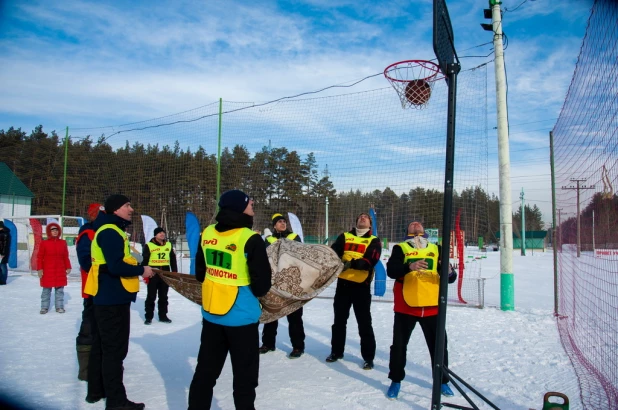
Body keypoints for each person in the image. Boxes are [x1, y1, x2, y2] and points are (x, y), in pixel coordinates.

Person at [188, 190, 271, 410]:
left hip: (212, 313)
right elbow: (262, 285)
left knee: (205, 373)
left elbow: (200, 273)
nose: (253, 203)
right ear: (238, 208)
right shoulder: (250, 238)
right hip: (241, 319)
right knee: (245, 378)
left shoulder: (207, 233)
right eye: (248, 202)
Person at [84, 194, 154, 410]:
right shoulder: (111, 232)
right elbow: (115, 266)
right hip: (112, 297)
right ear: (116, 209)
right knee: (115, 351)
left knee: (102, 347)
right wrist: (142, 269)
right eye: (127, 205)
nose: (131, 209)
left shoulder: (107, 230)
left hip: (105, 295)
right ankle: (116, 401)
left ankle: (96, 391)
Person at [385, 220, 457, 400]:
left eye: (419, 224)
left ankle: (442, 381)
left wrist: (448, 270)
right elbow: (391, 271)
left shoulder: (436, 248)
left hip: (432, 305)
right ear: (407, 230)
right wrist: (409, 267)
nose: (416, 225)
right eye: (411, 224)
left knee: (439, 347)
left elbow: (450, 278)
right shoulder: (400, 248)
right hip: (406, 306)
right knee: (399, 346)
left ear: (425, 230)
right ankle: (396, 380)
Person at [326, 212, 381, 370]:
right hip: (343, 285)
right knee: (339, 322)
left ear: (370, 224)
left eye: (366, 217)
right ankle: (336, 352)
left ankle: (368, 357)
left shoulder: (374, 240)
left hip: (361, 286)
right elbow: (334, 253)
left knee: (364, 323)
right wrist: (337, 261)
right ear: (356, 221)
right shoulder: (344, 236)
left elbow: (370, 260)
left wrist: (350, 263)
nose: (363, 218)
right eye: (360, 216)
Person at [259, 213, 305, 358]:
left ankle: (298, 346)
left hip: (291, 282)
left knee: (294, 316)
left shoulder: (293, 237)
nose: (283, 223)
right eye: (279, 222)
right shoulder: (268, 239)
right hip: (273, 283)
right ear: (274, 225)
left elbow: (298, 255)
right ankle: (268, 343)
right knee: (271, 313)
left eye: (284, 221)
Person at [75, 203, 104, 381]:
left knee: (104, 329)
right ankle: (85, 369)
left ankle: (103, 363)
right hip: (92, 288)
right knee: (89, 327)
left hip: (107, 290)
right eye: (100, 214)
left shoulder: (106, 231)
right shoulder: (87, 233)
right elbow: (85, 260)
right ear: (94, 215)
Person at [142, 227, 177, 325]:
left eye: (163, 232)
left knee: (163, 296)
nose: (162, 234)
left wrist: (174, 273)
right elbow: (144, 260)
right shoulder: (149, 245)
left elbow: (173, 260)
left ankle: (163, 316)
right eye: (159, 233)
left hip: (165, 273)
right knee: (151, 296)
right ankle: (148, 317)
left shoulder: (169, 245)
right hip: (153, 273)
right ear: (155, 235)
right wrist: (145, 272)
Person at [37, 222, 71, 314]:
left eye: (56, 230)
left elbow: (65, 256)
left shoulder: (63, 243)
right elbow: (40, 257)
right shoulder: (44, 243)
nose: (55, 232)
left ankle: (59, 307)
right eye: (53, 230)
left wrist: (68, 266)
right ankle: (44, 307)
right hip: (48, 270)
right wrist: (40, 269)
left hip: (60, 270)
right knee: (46, 290)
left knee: (59, 290)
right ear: (49, 232)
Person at [0, 221, 11, 285]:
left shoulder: (5, 234)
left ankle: (3, 280)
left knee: (3, 265)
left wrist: (3, 253)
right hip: (1, 253)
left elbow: (5, 245)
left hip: (3, 253)